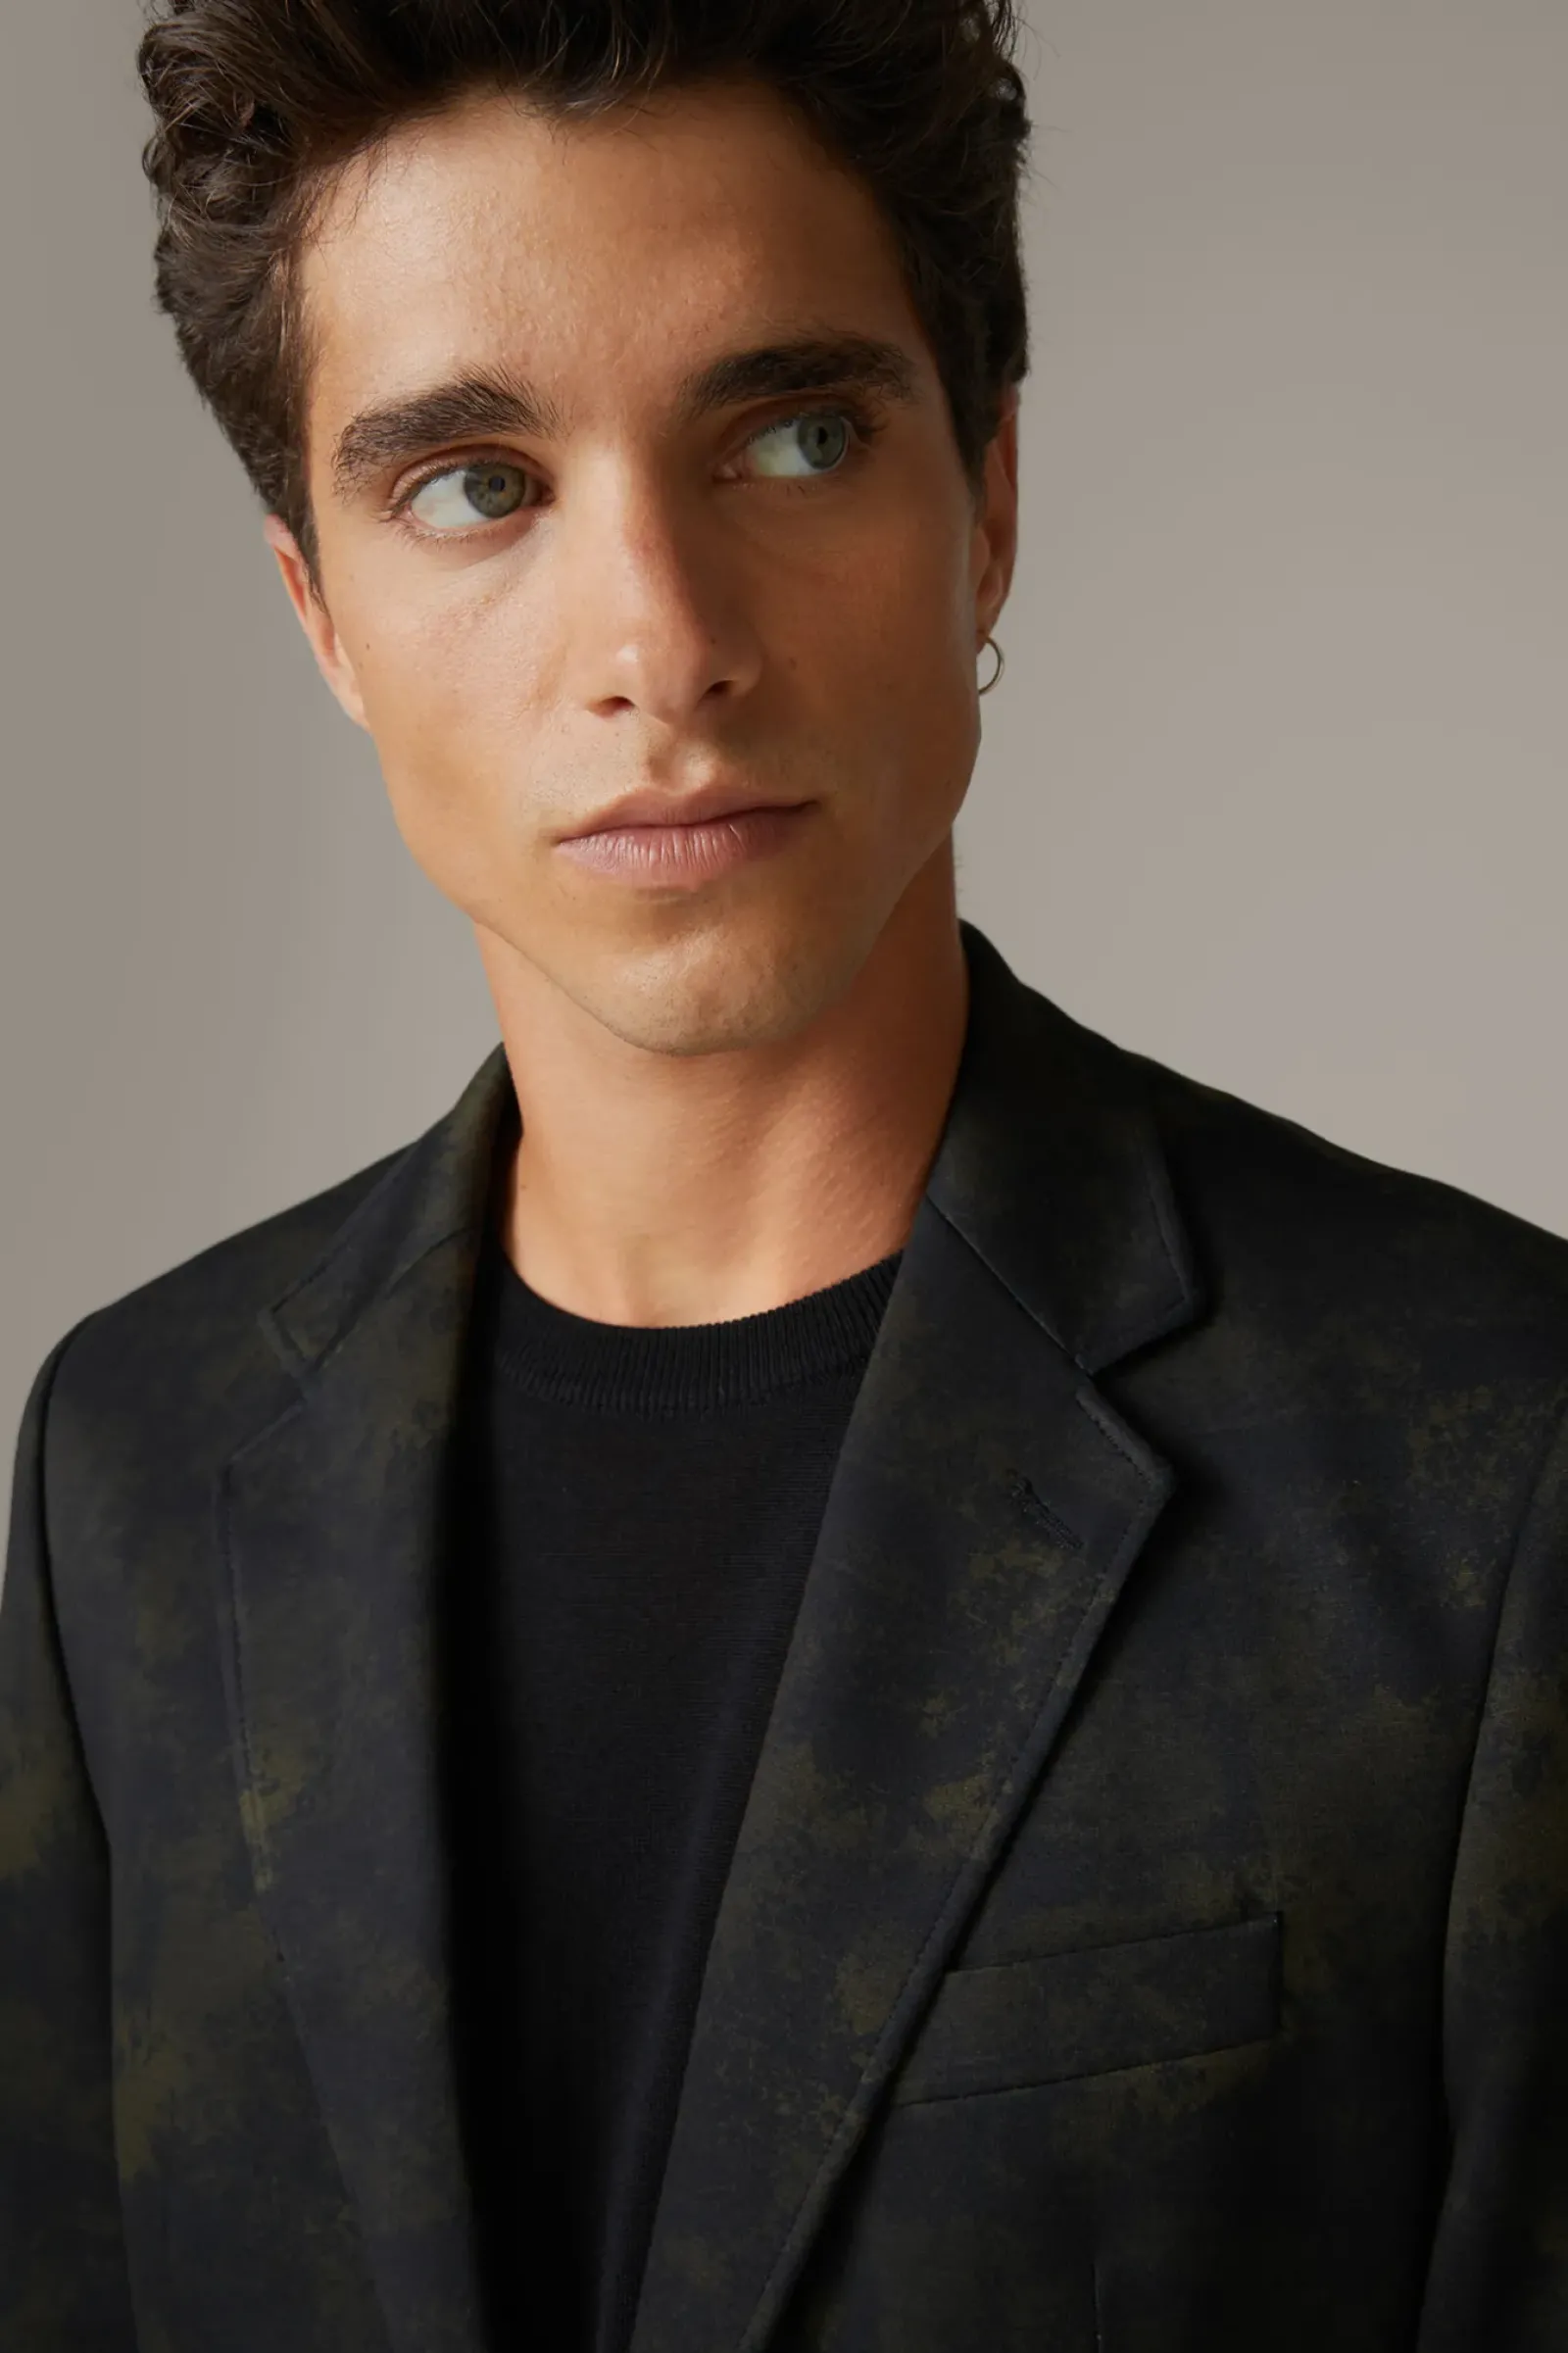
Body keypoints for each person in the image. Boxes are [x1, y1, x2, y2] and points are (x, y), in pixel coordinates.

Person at [3, 1, 1566, 2346]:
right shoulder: (134, 1464)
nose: (661, 644)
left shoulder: (1492, 1465)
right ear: (317, 611)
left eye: (796, 435)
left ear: (988, 503)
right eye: (475, 486)